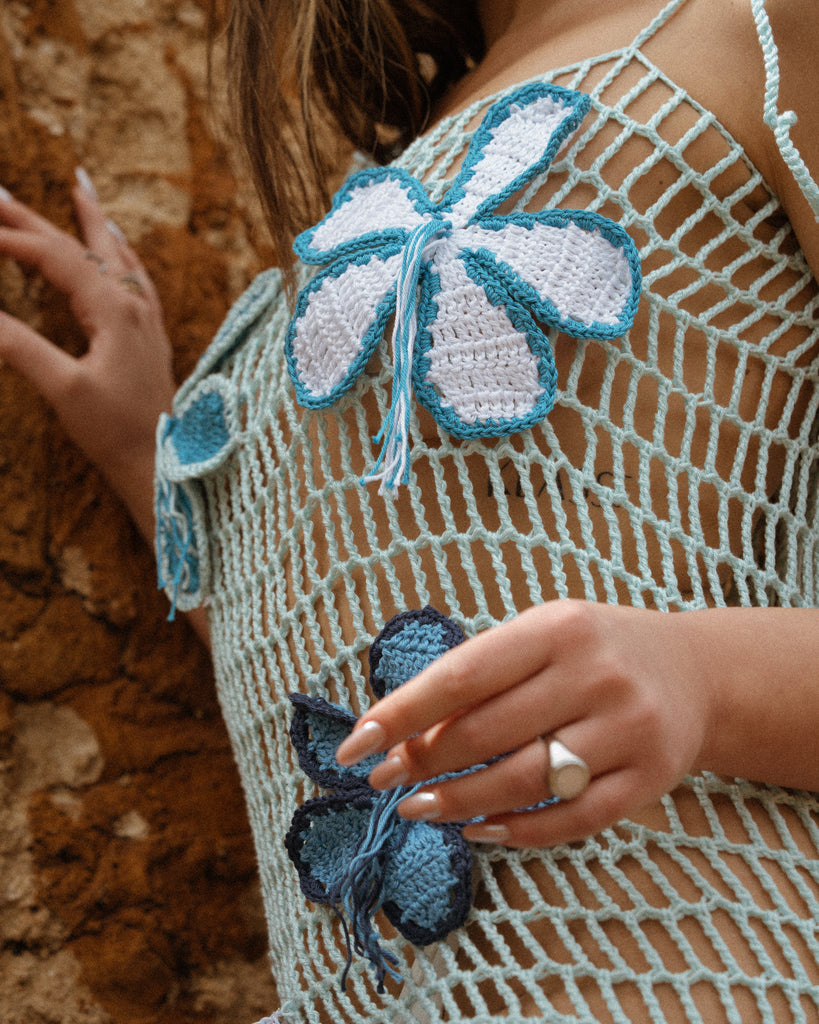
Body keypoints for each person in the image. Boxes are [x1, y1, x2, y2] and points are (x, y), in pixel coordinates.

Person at [2, 0, 819, 1020]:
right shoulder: (380, 174)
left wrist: (706, 679)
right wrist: (144, 447)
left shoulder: (766, 31)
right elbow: (350, 689)